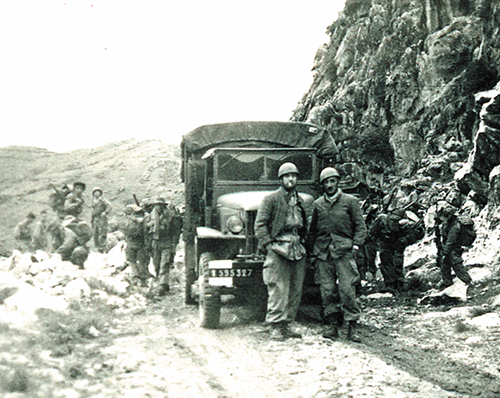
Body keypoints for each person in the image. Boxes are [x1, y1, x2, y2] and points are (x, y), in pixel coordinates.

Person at [307, 167, 367, 342]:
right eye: (326, 182)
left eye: (332, 181)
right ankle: (332, 325)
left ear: (337, 182)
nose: (330, 185)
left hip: (344, 252)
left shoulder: (350, 201)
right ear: (322, 185)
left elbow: (360, 226)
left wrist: (355, 246)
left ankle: (351, 326)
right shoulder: (318, 204)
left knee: (347, 290)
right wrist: (312, 252)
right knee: (327, 290)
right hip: (323, 253)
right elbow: (313, 231)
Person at [255, 162, 308, 340]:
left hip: (296, 248)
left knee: (295, 288)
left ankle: (287, 324)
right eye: (287, 176)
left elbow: (305, 225)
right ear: (281, 179)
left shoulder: (299, 200)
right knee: (278, 287)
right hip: (278, 248)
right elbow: (260, 225)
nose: (291, 179)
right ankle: (275, 325)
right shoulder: (271, 199)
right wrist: (269, 246)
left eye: (293, 176)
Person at [369, 206, 425, 294]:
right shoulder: (382, 219)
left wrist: (405, 240)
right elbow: (371, 233)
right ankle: (392, 286)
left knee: (394, 263)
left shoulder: (403, 223)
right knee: (388, 263)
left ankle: (396, 286)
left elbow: (418, 233)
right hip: (386, 244)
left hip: (396, 244)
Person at [145, 197, 183, 296]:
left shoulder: (170, 216)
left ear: (163, 206)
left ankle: (161, 285)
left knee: (164, 264)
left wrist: (174, 243)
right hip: (155, 242)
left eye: (160, 205)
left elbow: (175, 231)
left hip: (166, 242)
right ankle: (163, 282)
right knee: (156, 264)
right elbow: (146, 230)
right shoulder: (150, 216)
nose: (158, 207)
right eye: (157, 205)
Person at [434, 201, 473, 289]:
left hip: (453, 249)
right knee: (444, 265)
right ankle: (447, 283)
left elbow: (451, 240)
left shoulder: (455, 225)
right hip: (447, 247)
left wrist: (445, 252)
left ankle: (467, 282)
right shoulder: (447, 223)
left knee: (456, 265)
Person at [122, 204, 152, 287]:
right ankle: (136, 279)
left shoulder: (142, 221)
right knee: (133, 262)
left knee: (141, 263)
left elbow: (142, 233)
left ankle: (142, 281)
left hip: (139, 245)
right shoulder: (131, 222)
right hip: (132, 245)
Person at [91, 187, 112, 253]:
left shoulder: (103, 200)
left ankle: (103, 247)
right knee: (95, 233)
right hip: (95, 218)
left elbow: (110, 206)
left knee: (102, 232)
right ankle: (97, 247)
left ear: (100, 193)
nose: (96, 194)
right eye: (95, 192)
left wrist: (105, 212)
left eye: (98, 192)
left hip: (101, 219)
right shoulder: (94, 201)